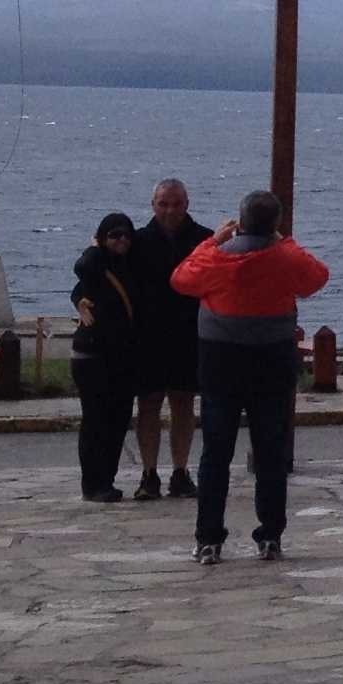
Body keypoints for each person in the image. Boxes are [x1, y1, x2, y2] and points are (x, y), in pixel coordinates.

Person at [169, 189, 328, 567]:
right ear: (275, 224)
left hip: (220, 362)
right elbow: (317, 277)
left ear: (239, 222)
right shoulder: (283, 255)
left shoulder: (217, 257)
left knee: (215, 453)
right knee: (270, 452)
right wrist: (284, 240)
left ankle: (209, 539)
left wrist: (213, 240)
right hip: (271, 362)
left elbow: (180, 279)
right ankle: (270, 536)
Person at [132, 179, 214, 500]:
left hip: (188, 335)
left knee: (183, 404)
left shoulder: (204, 240)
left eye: (176, 203)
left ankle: (180, 471)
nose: (170, 210)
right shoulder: (137, 241)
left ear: (187, 204)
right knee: (148, 404)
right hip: (148, 337)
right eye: (163, 203)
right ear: (153, 205)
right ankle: (148, 473)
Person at [69, 213, 141, 504]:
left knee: (118, 419)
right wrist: (96, 247)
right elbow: (82, 268)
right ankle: (92, 483)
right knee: (96, 419)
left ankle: (106, 480)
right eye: (113, 235)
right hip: (92, 353)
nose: (121, 240)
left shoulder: (129, 268)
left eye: (125, 235)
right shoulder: (95, 265)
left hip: (123, 354)